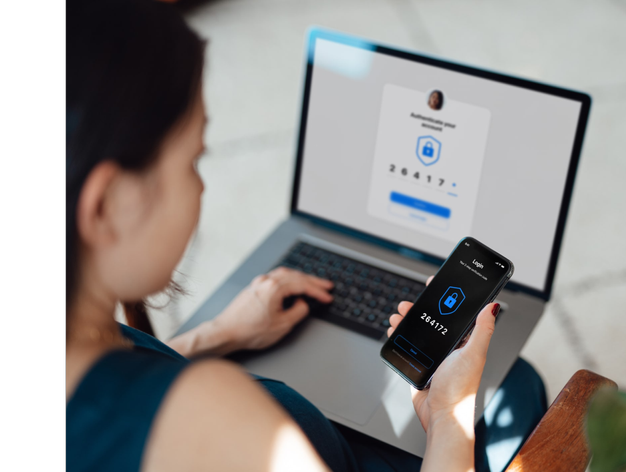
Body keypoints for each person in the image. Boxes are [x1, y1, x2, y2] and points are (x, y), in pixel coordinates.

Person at [65, 1, 547, 471]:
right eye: (193, 159)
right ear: (106, 204)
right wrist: (447, 417)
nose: (201, 186)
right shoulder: (208, 420)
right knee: (518, 387)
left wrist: (217, 336)